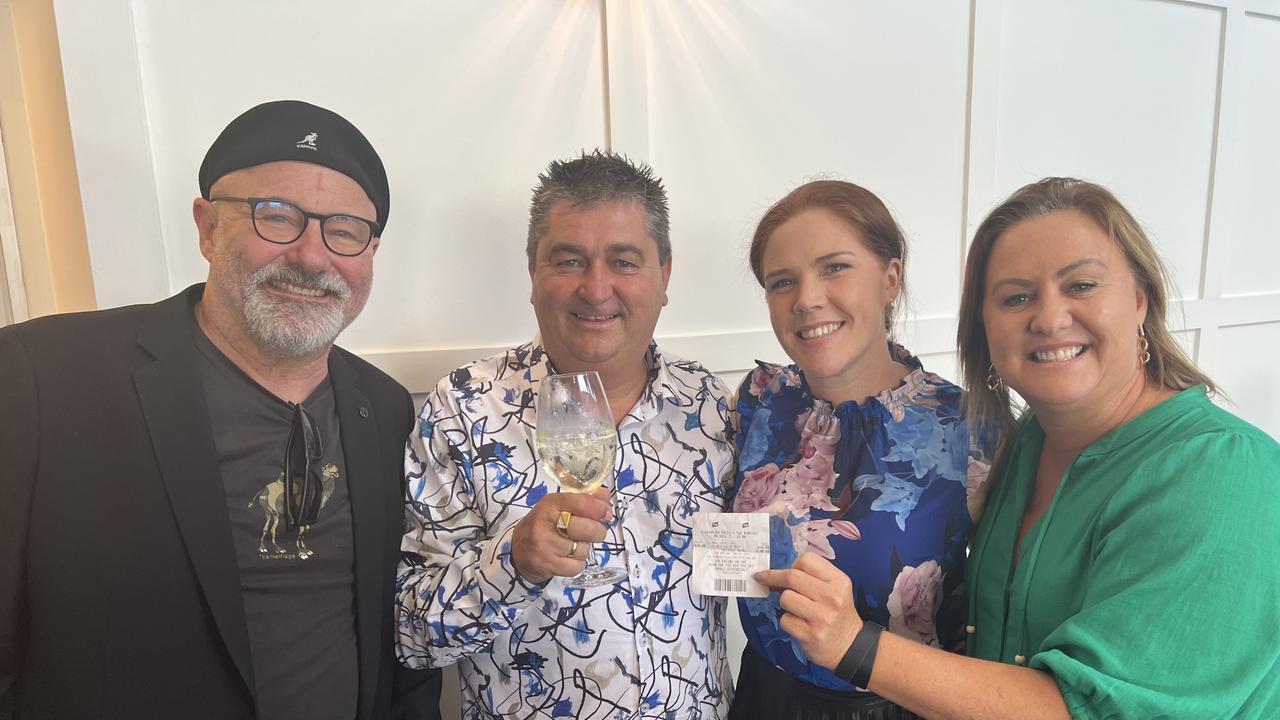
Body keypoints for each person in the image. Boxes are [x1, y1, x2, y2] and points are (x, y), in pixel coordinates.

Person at [757, 177, 1280, 719]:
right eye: (1017, 297)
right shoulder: (1027, 444)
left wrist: (856, 645)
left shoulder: (1226, 477)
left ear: (1141, 300)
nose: (1049, 318)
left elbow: (1086, 710)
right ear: (985, 330)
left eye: (1081, 286)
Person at [0, 100, 441, 720]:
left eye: (343, 230)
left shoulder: (387, 408)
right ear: (207, 228)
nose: (312, 257)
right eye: (276, 216)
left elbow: (397, 642)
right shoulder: (41, 377)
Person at [395, 150, 736, 719]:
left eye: (624, 261)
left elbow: (742, 571)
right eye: (569, 260)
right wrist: (512, 564)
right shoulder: (463, 407)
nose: (596, 288)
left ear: (665, 275)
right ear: (533, 274)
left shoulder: (710, 406)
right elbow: (411, 637)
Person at [729, 180, 993, 719]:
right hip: (762, 696)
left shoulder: (967, 426)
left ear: (890, 278)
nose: (806, 299)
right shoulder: (760, 399)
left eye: (835, 267)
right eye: (783, 281)